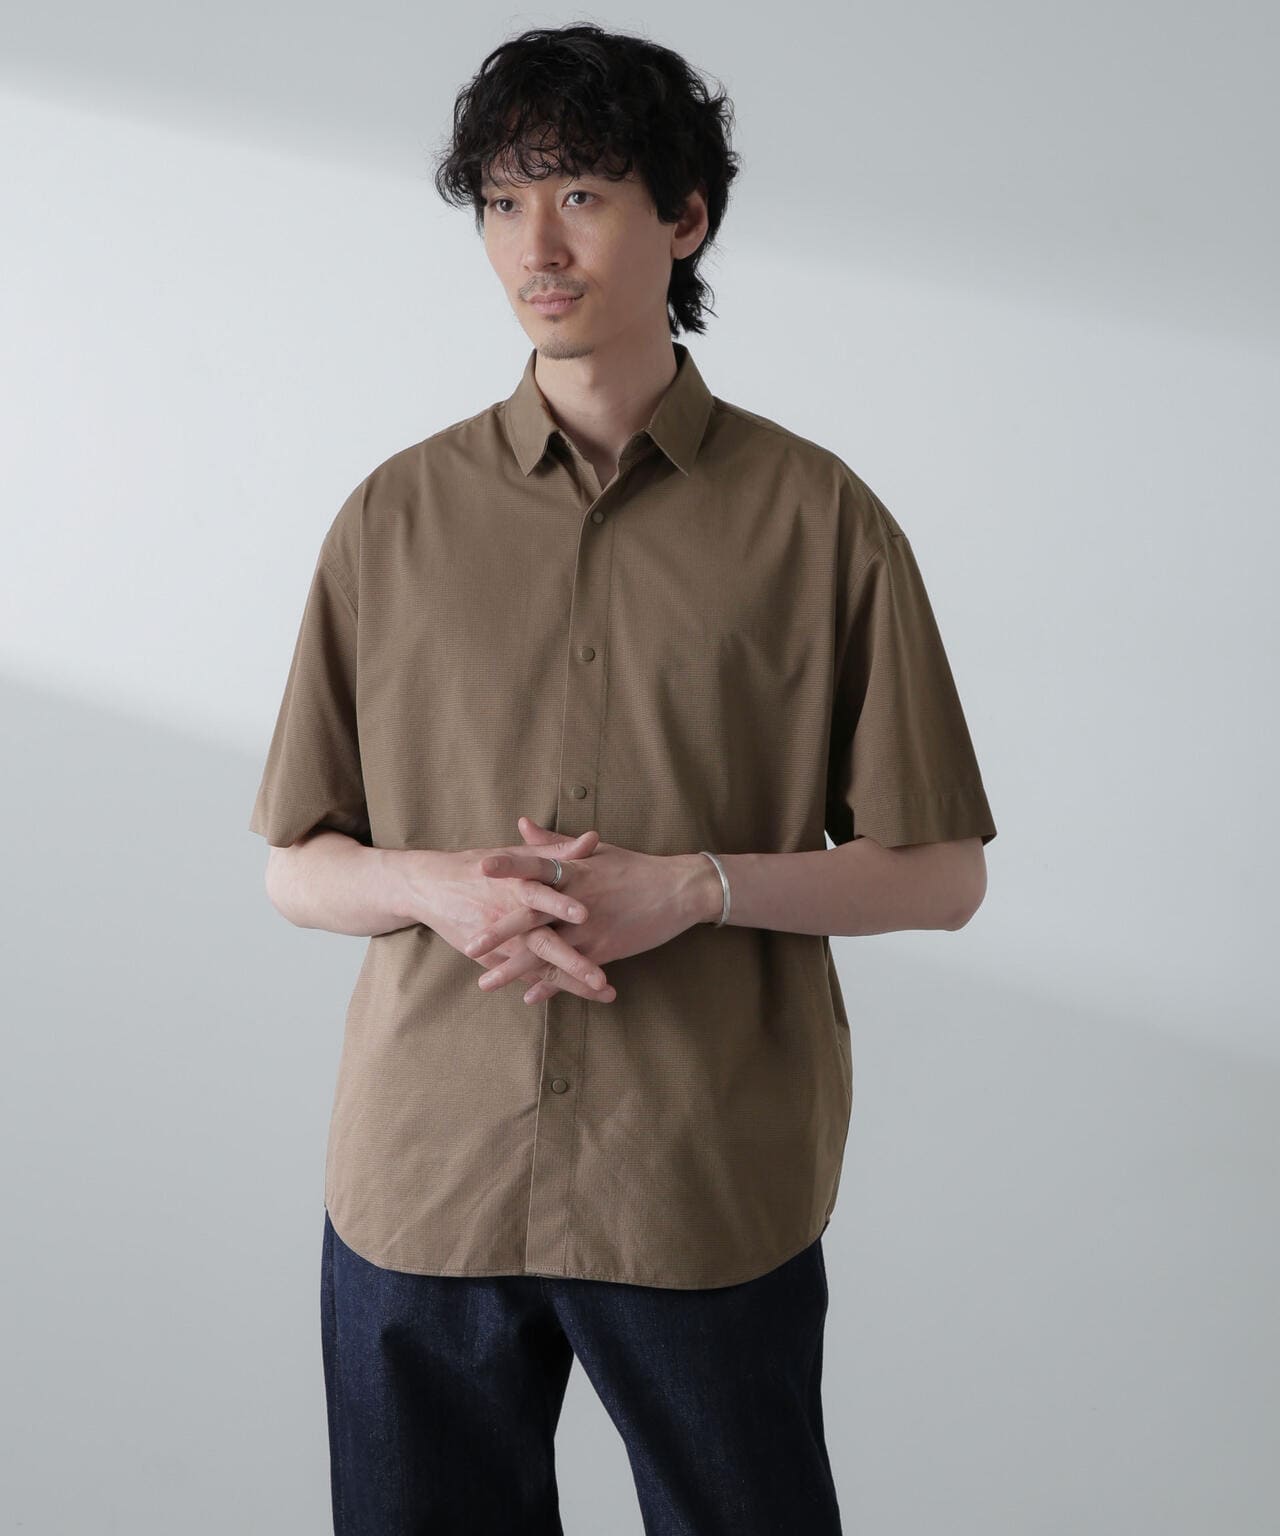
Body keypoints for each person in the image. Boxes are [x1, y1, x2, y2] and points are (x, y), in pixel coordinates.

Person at [248, 22, 997, 1536]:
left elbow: (942, 873)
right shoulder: (392, 520)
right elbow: (296, 867)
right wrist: (432, 886)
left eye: (582, 194)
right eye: (502, 200)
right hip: (426, 1177)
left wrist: (694, 890)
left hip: (699, 1175)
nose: (536, 246)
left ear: (685, 217)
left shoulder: (820, 522)